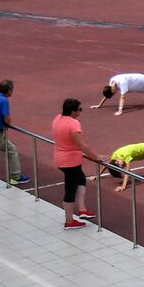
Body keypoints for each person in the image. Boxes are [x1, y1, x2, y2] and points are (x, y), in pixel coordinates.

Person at [51, 98, 101, 229]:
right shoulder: (74, 123)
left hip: (60, 158)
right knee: (70, 189)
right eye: (80, 109)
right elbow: (81, 144)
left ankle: (82, 209)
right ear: (73, 111)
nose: (80, 112)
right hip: (70, 161)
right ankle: (69, 221)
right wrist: (96, 157)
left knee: (81, 179)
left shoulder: (57, 119)